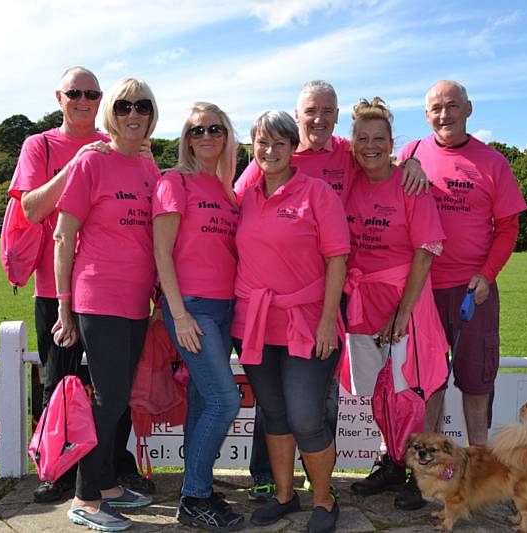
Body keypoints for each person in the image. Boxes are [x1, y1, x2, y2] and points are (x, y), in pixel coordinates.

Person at [235, 80, 429, 500]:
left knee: (319, 395)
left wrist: (412, 161)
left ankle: (316, 474)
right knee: (272, 394)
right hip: (276, 295)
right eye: (311, 111)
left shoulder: (346, 151)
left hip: (334, 288)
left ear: (337, 116)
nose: (319, 119)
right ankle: (265, 474)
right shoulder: (276, 149)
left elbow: (380, 152)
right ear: (297, 115)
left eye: (327, 111)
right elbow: (237, 201)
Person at [8, 66, 153, 503]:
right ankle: (60, 472)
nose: (84, 100)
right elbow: (32, 210)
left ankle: (109, 471)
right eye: (75, 93)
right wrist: (78, 162)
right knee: (59, 386)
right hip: (58, 290)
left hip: (117, 292)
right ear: (60, 96)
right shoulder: (42, 145)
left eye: (92, 93)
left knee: (114, 390)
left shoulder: (126, 149)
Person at [395, 80, 527, 509]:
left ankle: (480, 472)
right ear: (426, 114)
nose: (444, 113)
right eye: (436, 107)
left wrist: (487, 275)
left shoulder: (492, 162)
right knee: (427, 383)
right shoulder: (411, 153)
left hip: (474, 291)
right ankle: (422, 478)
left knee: (475, 383)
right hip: (422, 290)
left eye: (453, 105)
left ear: (469, 108)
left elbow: (508, 228)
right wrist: (405, 166)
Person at [232, 110, 350, 533]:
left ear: (292, 147)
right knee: (275, 412)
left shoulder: (316, 192)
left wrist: (325, 322)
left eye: (280, 143)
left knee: (305, 416)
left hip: (307, 323)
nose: (270, 150)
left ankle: (323, 499)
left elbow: (338, 258)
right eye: (262, 142)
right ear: (253, 146)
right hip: (255, 325)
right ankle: (284, 494)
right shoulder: (245, 194)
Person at [54, 78, 160, 531]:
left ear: (152, 114)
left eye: (142, 106)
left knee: (118, 400)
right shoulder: (91, 162)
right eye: (123, 106)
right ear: (110, 114)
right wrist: (63, 305)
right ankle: (85, 495)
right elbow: (64, 235)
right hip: (99, 297)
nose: (132, 114)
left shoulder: (150, 167)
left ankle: (109, 484)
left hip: (138, 302)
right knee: (109, 397)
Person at [345, 98, 449, 505]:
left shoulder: (409, 183)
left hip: (406, 302)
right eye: (361, 138)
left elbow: (426, 249)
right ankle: (392, 461)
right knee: (379, 392)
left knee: (411, 392)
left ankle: (420, 476)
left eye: (379, 138)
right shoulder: (351, 179)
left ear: (393, 143)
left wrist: (403, 312)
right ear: (352, 142)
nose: (370, 146)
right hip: (363, 300)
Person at [152, 102, 244, 532]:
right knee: (226, 401)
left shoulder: (228, 190)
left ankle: (198, 485)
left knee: (205, 401)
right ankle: (194, 498)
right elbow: (161, 251)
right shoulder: (175, 182)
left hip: (225, 309)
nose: (206, 136)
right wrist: (179, 314)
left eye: (214, 129)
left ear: (227, 135)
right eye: (196, 131)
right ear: (186, 139)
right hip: (191, 307)